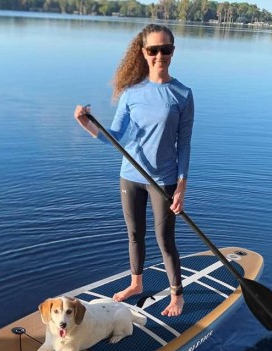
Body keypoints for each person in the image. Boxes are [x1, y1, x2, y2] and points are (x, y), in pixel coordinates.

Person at [74, 24, 194, 317]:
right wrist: (86, 123)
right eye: (153, 50)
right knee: (135, 234)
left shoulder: (182, 94)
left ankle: (177, 296)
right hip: (130, 176)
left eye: (165, 49)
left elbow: (184, 144)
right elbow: (116, 137)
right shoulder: (132, 92)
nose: (159, 55)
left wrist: (181, 185)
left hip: (164, 179)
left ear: (173, 51)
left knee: (165, 239)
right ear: (143, 52)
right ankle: (136, 283)